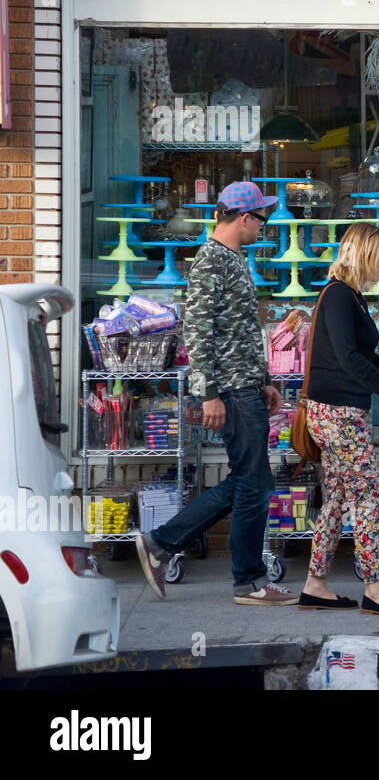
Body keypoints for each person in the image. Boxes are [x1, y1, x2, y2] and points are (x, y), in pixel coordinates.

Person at [135, 182, 298, 605]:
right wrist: (207, 393)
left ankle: (162, 543)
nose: (264, 226)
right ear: (244, 218)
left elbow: (243, 331)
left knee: (250, 481)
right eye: (261, 219)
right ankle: (247, 580)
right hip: (231, 390)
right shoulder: (212, 262)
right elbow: (198, 331)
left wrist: (264, 379)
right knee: (254, 484)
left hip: (245, 386)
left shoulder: (231, 259)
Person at [298, 222, 379, 618]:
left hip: (337, 413)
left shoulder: (350, 296)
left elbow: (354, 352)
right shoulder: (338, 296)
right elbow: (347, 360)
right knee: (368, 497)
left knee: (336, 499)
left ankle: (315, 584)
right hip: (339, 414)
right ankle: (375, 587)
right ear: (366, 254)